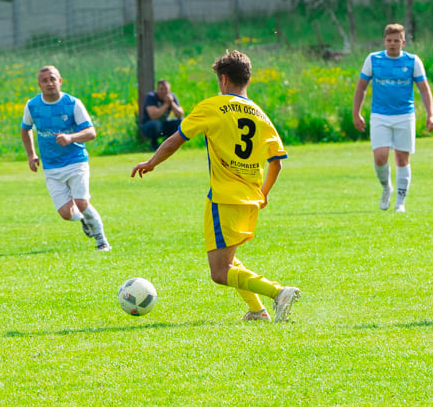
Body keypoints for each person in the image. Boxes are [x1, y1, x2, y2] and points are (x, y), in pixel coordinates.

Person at [131, 50, 300, 322]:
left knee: (219, 273)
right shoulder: (260, 114)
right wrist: (263, 194)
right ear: (248, 78)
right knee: (228, 259)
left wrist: (151, 162)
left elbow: (176, 139)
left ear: (223, 79)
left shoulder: (212, 106)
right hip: (251, 199)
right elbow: (277, 163)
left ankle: (279, 292)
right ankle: (258, 311)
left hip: (224, 197)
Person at [21, 65, 111, 251]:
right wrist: (31, 154)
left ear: (60, 81)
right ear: (39, 85)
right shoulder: (32, 105)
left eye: (52, 79)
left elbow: (91, 132)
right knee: (66, 213)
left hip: (76, 161)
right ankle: (85, 219)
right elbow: (25, 129)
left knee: (81, 202)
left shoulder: (73, 103)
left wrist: (71, 138)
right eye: (45, 80)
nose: (49, 83)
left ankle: (101, 240)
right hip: (51, 167)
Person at [352, 23, 433, 213]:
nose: (392, 44)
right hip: (380, 115)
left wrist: (431, 114)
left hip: (405, 116)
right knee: (380, 156)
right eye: (389, 40)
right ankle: (386, 188)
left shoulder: (413, 62)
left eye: (396, 40)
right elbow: (361, 87)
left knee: (401, 158)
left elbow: (424, 89)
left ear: (403, 42)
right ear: (384, 41)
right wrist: (356, 113)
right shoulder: (373, 60)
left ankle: (400, 202)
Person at [140, 79, 184, 150]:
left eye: (165, 89)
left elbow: (180, 115)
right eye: (161, 89)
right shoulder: (151, 97)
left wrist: (172, 103)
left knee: (181, 122)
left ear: (169, 90)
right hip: (148, 126)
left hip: (164, 125)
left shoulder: (172, 97)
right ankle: (154, 144)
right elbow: (153, 116)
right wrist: (166, 104)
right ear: (157, 89)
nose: (163, 91)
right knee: (155, 124)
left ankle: (167, 144)